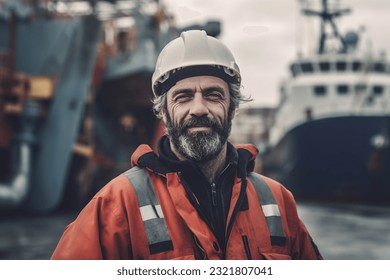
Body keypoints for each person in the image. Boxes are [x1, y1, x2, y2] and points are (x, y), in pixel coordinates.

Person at [51, 30, 322, 260]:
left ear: (233, 108)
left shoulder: (278, 201)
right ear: (164, 112)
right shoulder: (116, 205)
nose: (199, 109)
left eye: (213, 95)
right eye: (183, 96)